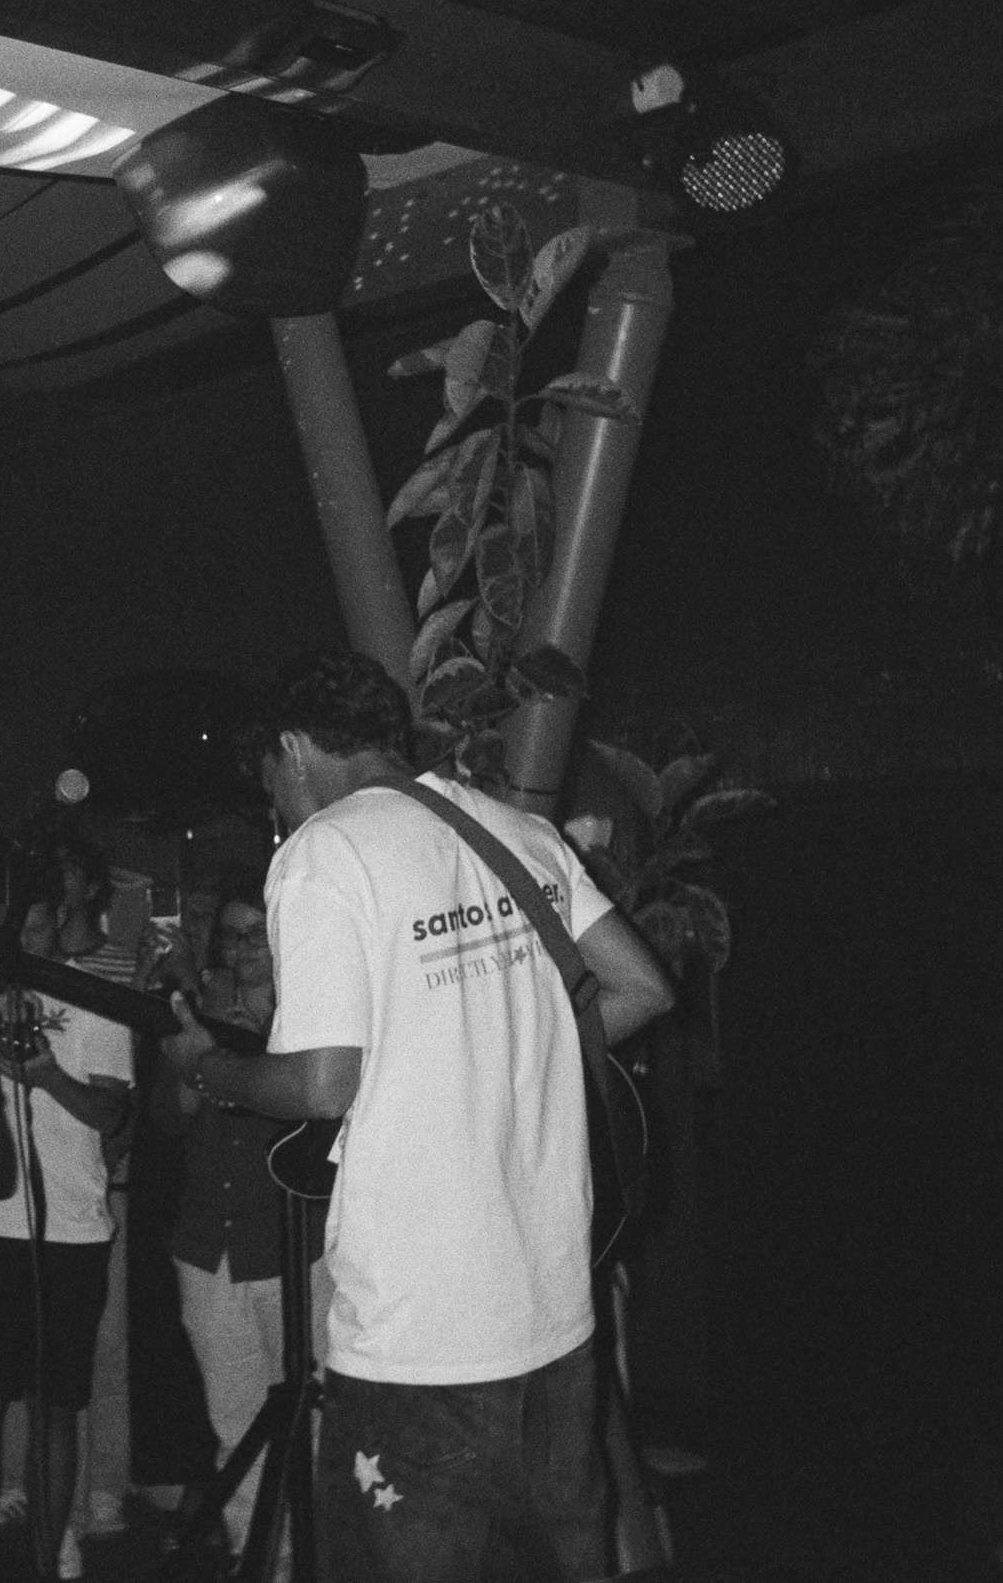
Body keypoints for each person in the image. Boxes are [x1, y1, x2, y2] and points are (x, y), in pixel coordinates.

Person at [160, 653, 673, 1583]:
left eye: (269, 775)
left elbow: (322, 1085)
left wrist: (212, 1067)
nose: (274, 797)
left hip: (417, 1342)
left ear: (291, 749)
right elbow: (640, 985)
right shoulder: (516, 830)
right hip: (556, 1322)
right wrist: (498, 1062)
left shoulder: (326, 852)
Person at [0, 841, 134, 1582]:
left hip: (70, 1231)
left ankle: (49, 1553)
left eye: (34, 924)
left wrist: (47, 1073)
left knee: (56, 1404)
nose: (21, 939)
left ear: (60, 917)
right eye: (8, 925)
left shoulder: (94, 997)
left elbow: (110, 1113)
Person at [149, 869, 326, 1566]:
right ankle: (260, 1559)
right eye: (233, 933)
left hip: (293, 1245)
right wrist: (198, 1059)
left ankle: (308, 1559)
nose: (246, 945)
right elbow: (166, 1118)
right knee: (234, 1421)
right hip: (206, 1245)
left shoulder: (316, 1017)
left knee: (310, 1418)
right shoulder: (198, 1013)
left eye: (260, 931)